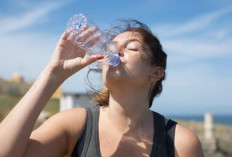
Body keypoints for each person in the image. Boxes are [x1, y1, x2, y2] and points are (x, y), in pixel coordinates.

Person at [0, 19, 204, 157]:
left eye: (132, 47)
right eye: (112, 46)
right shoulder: (75, 125)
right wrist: (53, 75)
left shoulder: (180, 142)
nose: (114, 51)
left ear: (156, 73)